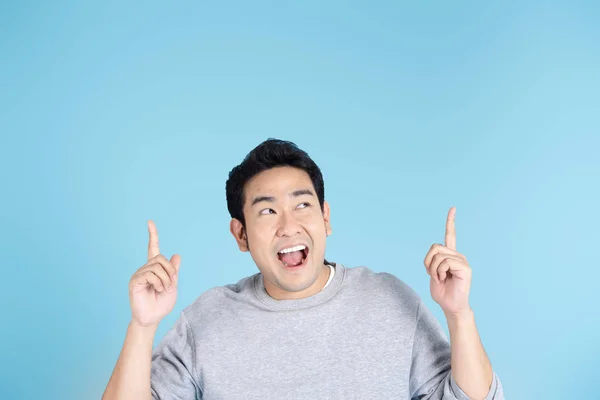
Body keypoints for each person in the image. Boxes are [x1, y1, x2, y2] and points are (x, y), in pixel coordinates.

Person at [102, 138, 504, 400]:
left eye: (302, 205)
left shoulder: (389, 300)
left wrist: (459, 315)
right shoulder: (205, 320)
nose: (288, 225)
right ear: (240, 235)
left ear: (325, 218)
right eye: (267, 211)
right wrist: (142, 328)